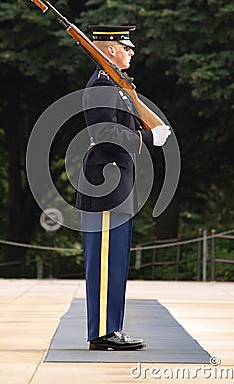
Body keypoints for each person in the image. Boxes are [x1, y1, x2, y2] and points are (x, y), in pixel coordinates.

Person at [75, 25, 171, 351]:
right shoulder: (102, 86)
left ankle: (111, 327)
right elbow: (106, 134)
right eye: (125, 46)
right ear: (110, 49)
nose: (132, 51)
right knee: (104, 261)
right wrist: (149, 138)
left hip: (117, 185)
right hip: (105, 184)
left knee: (114, 260)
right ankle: (102, 332)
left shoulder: (117, 87)